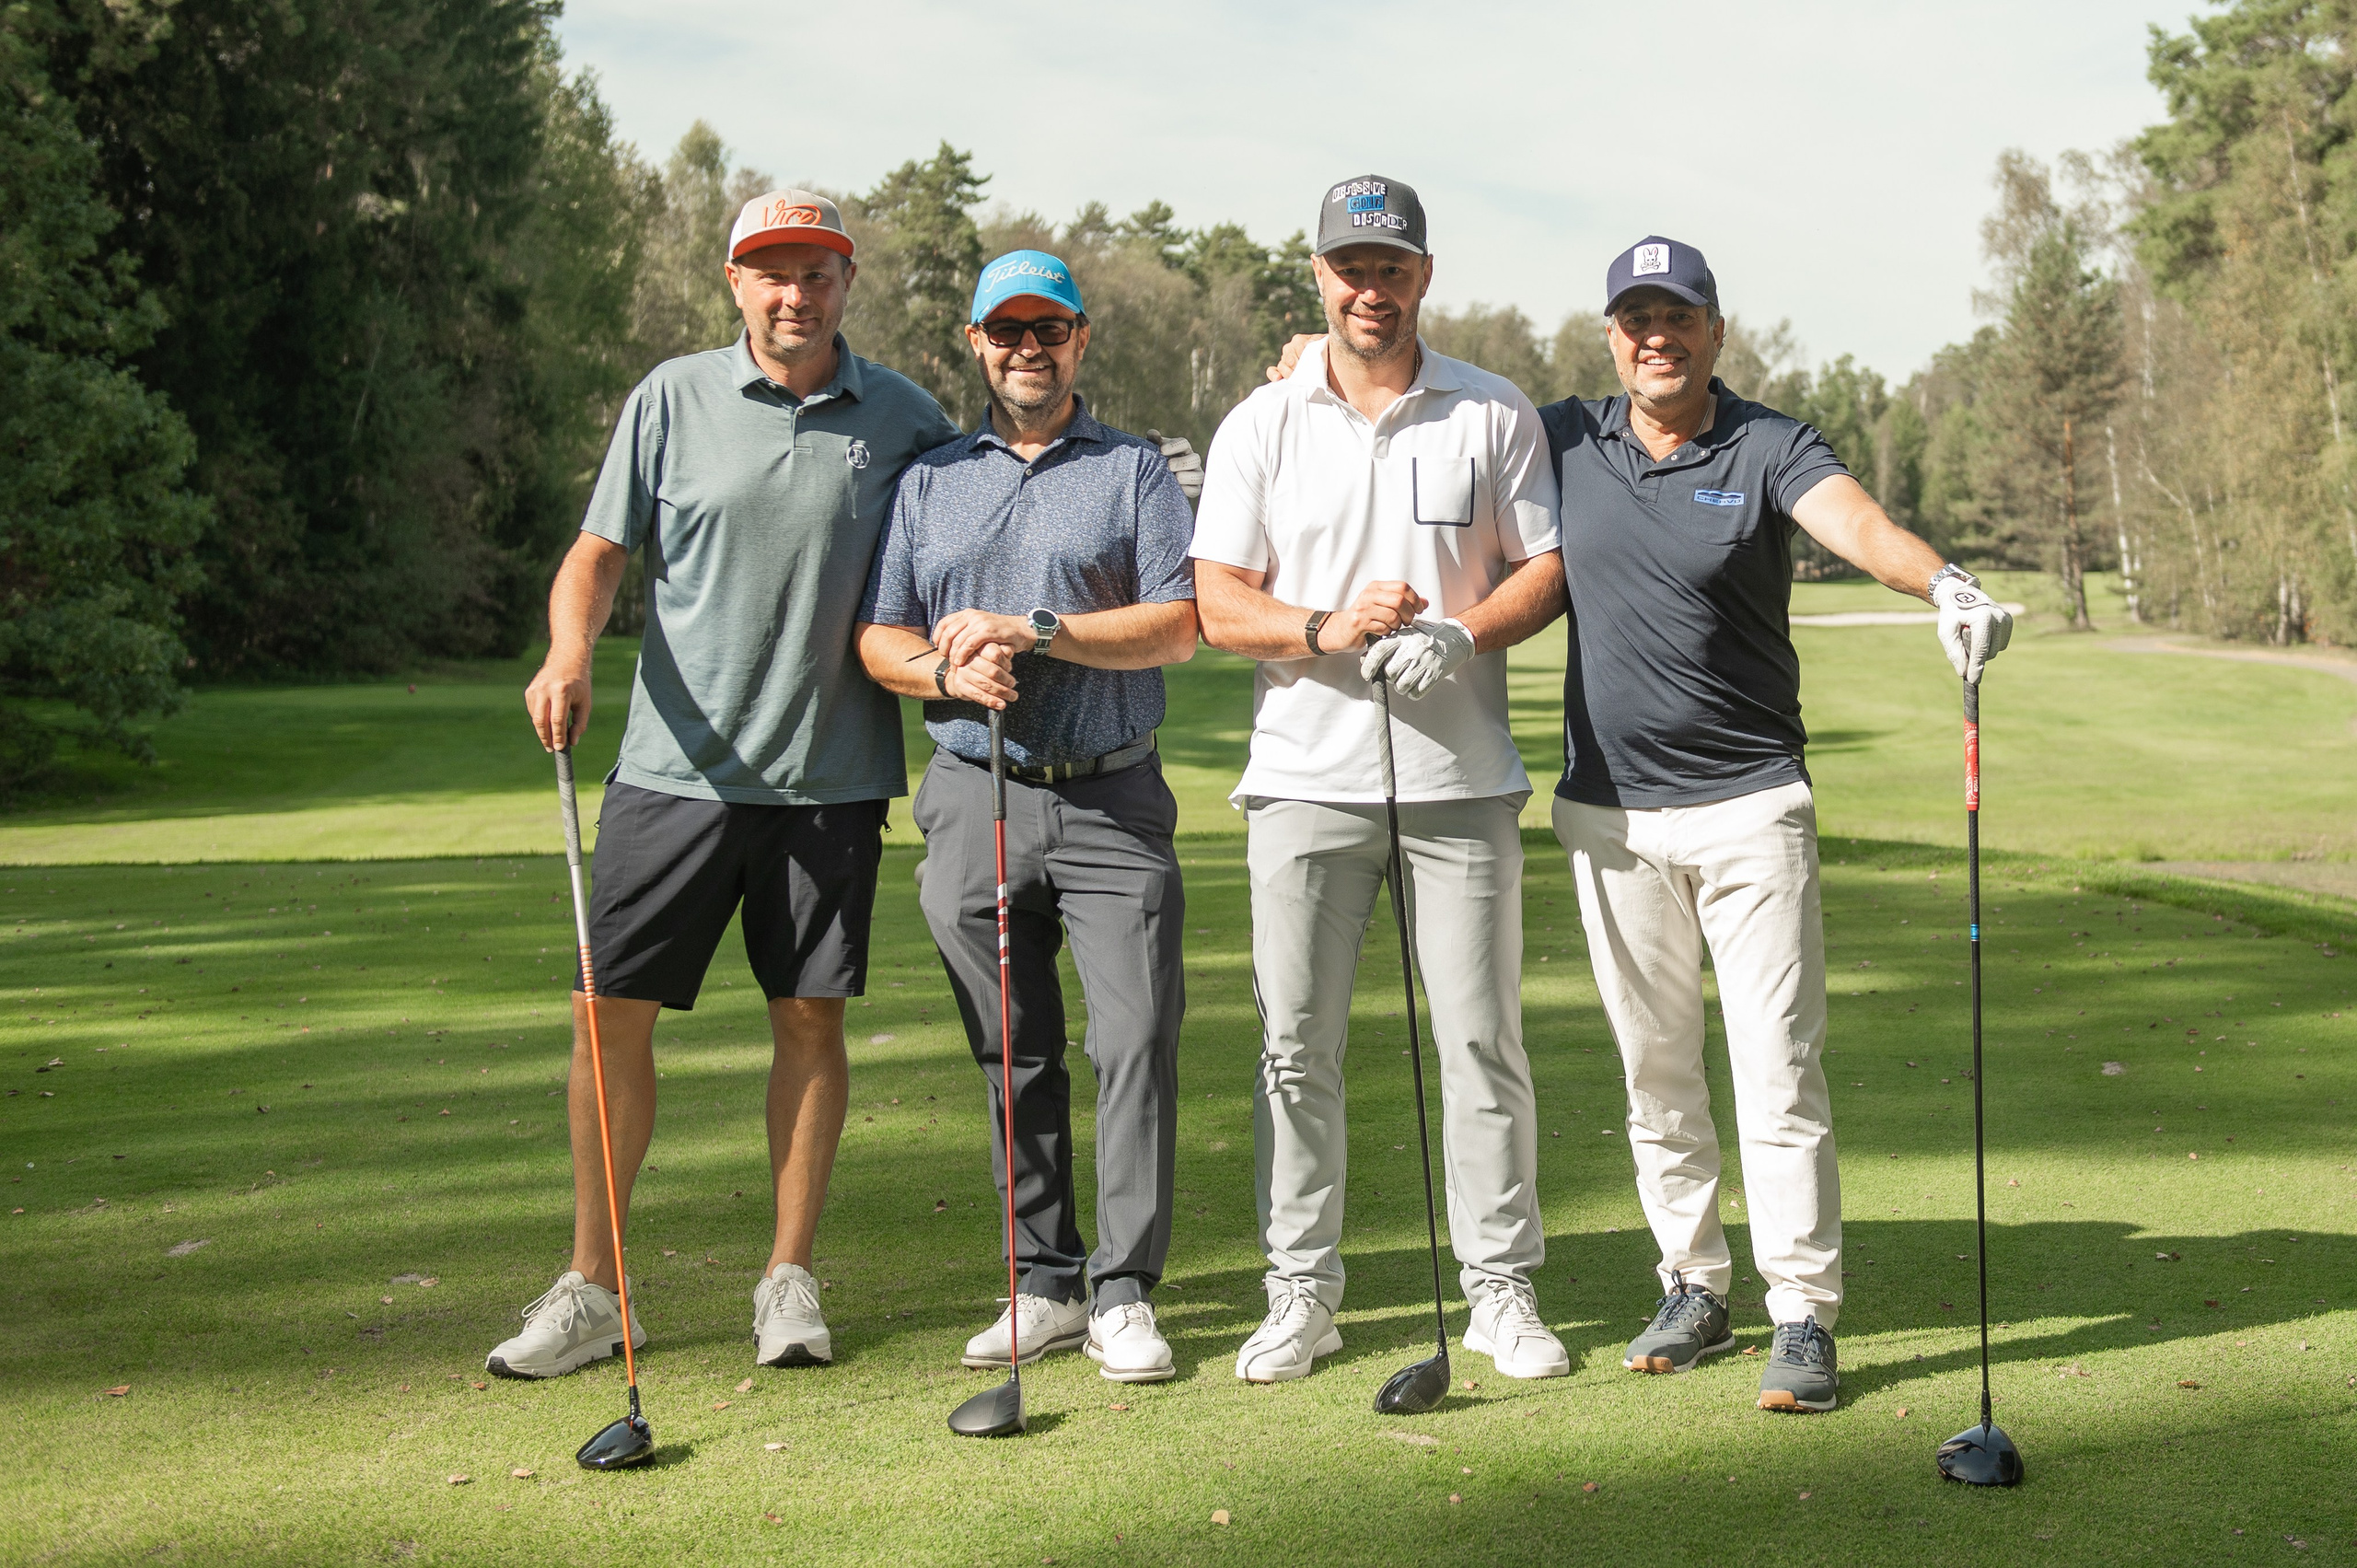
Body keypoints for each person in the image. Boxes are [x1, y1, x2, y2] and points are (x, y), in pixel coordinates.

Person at [497, 190, 970, 1383]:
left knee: (809, 1019)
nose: (793, 295)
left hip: (832, 779)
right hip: (672, 771)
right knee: (608, 1023)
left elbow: (999, 498)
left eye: (814, 273)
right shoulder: (672, 396)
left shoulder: (906, 417)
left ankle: (787, 1277)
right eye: (771, 273)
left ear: (846, 283)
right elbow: (598, 556)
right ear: (735, 282)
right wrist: (567, 651)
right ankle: (596, 1286)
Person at [1537, 237, 2014, 1412]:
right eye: (1635, 316)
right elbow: (1436, 406)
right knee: (1656, 1072)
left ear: (1714, 330)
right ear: (1610, 334)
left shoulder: (1767, 443)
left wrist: (1942, 580)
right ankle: (1692, 1284)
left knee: (1773, 1067)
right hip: (1609, 814)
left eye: (1678, 315)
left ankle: (1800, 1310)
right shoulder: (1560, 437)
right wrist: (1309, 369)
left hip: (1750, 805)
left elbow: (1852, 522)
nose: (1657, 334)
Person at [1191, 176, 1573, 1385]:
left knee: (1481, 1039)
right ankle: (1302, 1290)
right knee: (1295, 1046)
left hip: (1460, 780)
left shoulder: (1491, 409)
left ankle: (1502, 1290)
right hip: (1304, 778)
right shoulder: (1263, 422)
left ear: (1423, 272)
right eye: (1351, 266)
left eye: (1392, 265)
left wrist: (1462, 630)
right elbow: (1217, 600)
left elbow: (1547, 564)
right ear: (1318, 273)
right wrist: (1323, 628)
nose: (1372, 287)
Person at [854, 250, 1199, 1383]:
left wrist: (1032, 627)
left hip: (1109, 792)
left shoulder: (1135, 469)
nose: (1026, 350)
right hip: (972, 792)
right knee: (1012, 1047)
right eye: (1005, 332)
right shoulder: (930, 480)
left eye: (1047, 330)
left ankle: (1123, 1291)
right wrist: (948, 674)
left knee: (1135, 1037)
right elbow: (881, 635)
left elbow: (1174, 624)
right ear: (975, 345)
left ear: (1080, 340)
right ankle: (1042, 1280)